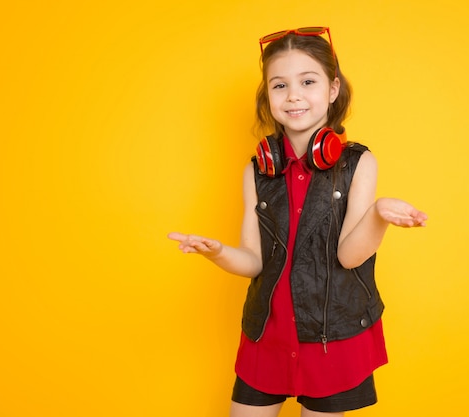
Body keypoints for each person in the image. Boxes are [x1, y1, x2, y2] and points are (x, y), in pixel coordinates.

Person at [168, 27, 428, 417]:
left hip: (331, 334)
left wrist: (378, 215)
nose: (293, 95)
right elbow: (254, 262)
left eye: (308, 81)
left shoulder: (359, 163)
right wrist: (217, 253)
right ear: (267, 95)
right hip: (267, 332)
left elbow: (350, 256)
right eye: (279, 85)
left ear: (333, 88)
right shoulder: (256, 171)